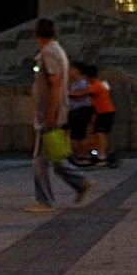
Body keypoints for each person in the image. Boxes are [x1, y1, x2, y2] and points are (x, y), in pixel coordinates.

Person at [29, 18, 94, 213]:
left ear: (37, 35)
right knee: (54, 156)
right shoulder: (58, 51)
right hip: (58, 111)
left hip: (49, 113)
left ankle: (45, 201)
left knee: (39, 159)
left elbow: (55, 83)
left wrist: (50, 113)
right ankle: (81, 182)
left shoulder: (48, 53)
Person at [84, 63, 118, 167]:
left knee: (100, 133)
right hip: (101, 112)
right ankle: (98, 153)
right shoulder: (97, 85)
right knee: (97, 134)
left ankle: (102, 156)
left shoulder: (96, 86)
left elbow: (82, 94)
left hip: (105, 112)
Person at [66, 61, 96, 163]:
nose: (70, 72)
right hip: (74, 110)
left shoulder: (82, 82)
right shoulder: (74, 83)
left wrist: (70, 94)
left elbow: (83, 96)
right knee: (77, 134)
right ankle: (81, 153)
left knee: (80, 134)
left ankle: (85, 154)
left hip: (81, 110)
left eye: (72, 69)